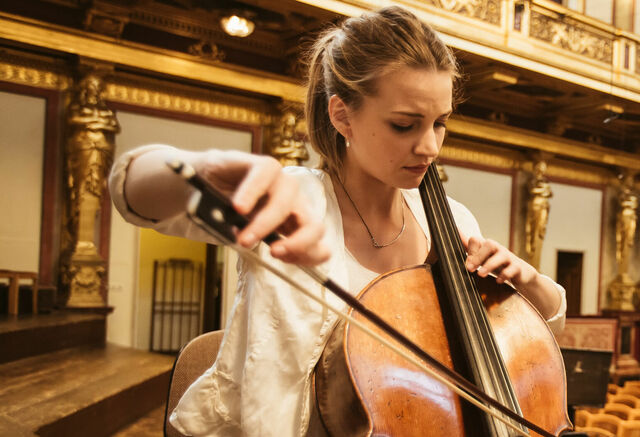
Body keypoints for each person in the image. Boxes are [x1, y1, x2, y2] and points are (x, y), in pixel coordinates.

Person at [107, 7, 566, 436]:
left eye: (440, 123)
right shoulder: (291, 200)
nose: (430, 146)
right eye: (405, 125)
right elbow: (134, 193)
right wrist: (197, 171)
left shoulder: (450, 220)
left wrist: (528, 280)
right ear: (341, 114)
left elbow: (541, 329)